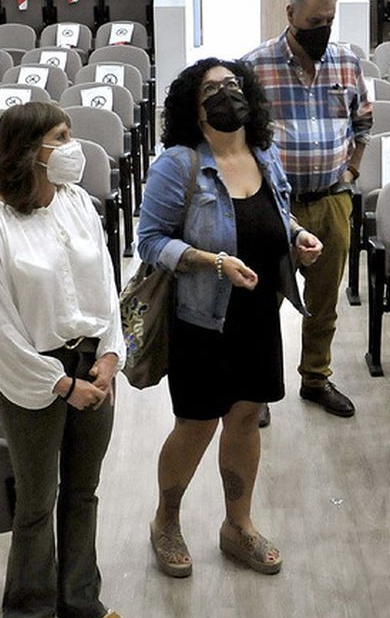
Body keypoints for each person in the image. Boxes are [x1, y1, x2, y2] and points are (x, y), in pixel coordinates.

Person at [138, 59, 323, 578]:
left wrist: (296, 238)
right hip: (202, 318)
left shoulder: (263, 153)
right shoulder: (178, 164)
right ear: (194, 109)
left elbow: (274, 215)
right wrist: (212, 261)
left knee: (245, 419)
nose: (227, 94)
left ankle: (236, 525)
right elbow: (150, 243)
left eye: (233, 85)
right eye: (212, 89)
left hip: (259, 313)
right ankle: (166, 521)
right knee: (196, 425)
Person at [0, 101, 128, 618]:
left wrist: (110, 355)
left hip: (94, 364)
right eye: (62, 136)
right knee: (37, 503)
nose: (74, 145)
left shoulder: (80, 203)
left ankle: (79, 604)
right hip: (33, 375)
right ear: (32, 149)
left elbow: (106, 286)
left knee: (82, 493)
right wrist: (60, 384)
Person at [243, 0, 371, 420]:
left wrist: (351, 172)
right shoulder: (255, 66)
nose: (323, 29)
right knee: (264, 301)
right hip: (274, 206)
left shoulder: (347, 63)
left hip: (333, 199)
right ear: (290, 14)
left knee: (324, 301)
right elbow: (237, 140)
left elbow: (363, 126)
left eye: (329, 20)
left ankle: (315, 378)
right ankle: (257, 389)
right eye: (314, 21)